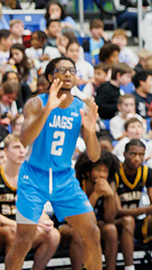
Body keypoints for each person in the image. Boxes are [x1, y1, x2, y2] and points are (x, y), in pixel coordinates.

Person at [6, 57, 103, 270]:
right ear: (51, 77)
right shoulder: (36, 103)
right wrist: (48, 110)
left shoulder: (82, 108)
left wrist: (90, 130)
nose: (68, 74)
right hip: (33, 177)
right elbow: (25, 140)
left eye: (72, 70)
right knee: (24, 240)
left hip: (64, 179)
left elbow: (94, 156)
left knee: (92, 233)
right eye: (62, 70)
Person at [0, 134, 62, 270]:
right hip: (5, 227)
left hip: (22, 227)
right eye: (17, 147)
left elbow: (37, 207)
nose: (22, 151)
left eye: (24, 147)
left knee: (53, 235)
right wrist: (19, 225)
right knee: (14, 232)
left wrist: (45, 221)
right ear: (6, 151)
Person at [115, 139, 152, 270]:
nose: (137, 158)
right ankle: (129, 268)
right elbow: (117, 211)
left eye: (141, 154)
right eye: (133, 154)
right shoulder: (115, 173)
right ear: (124, 154)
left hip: (138, 221)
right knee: (128, 221)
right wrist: (147, 209)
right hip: (117, 223)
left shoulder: (147, 172)